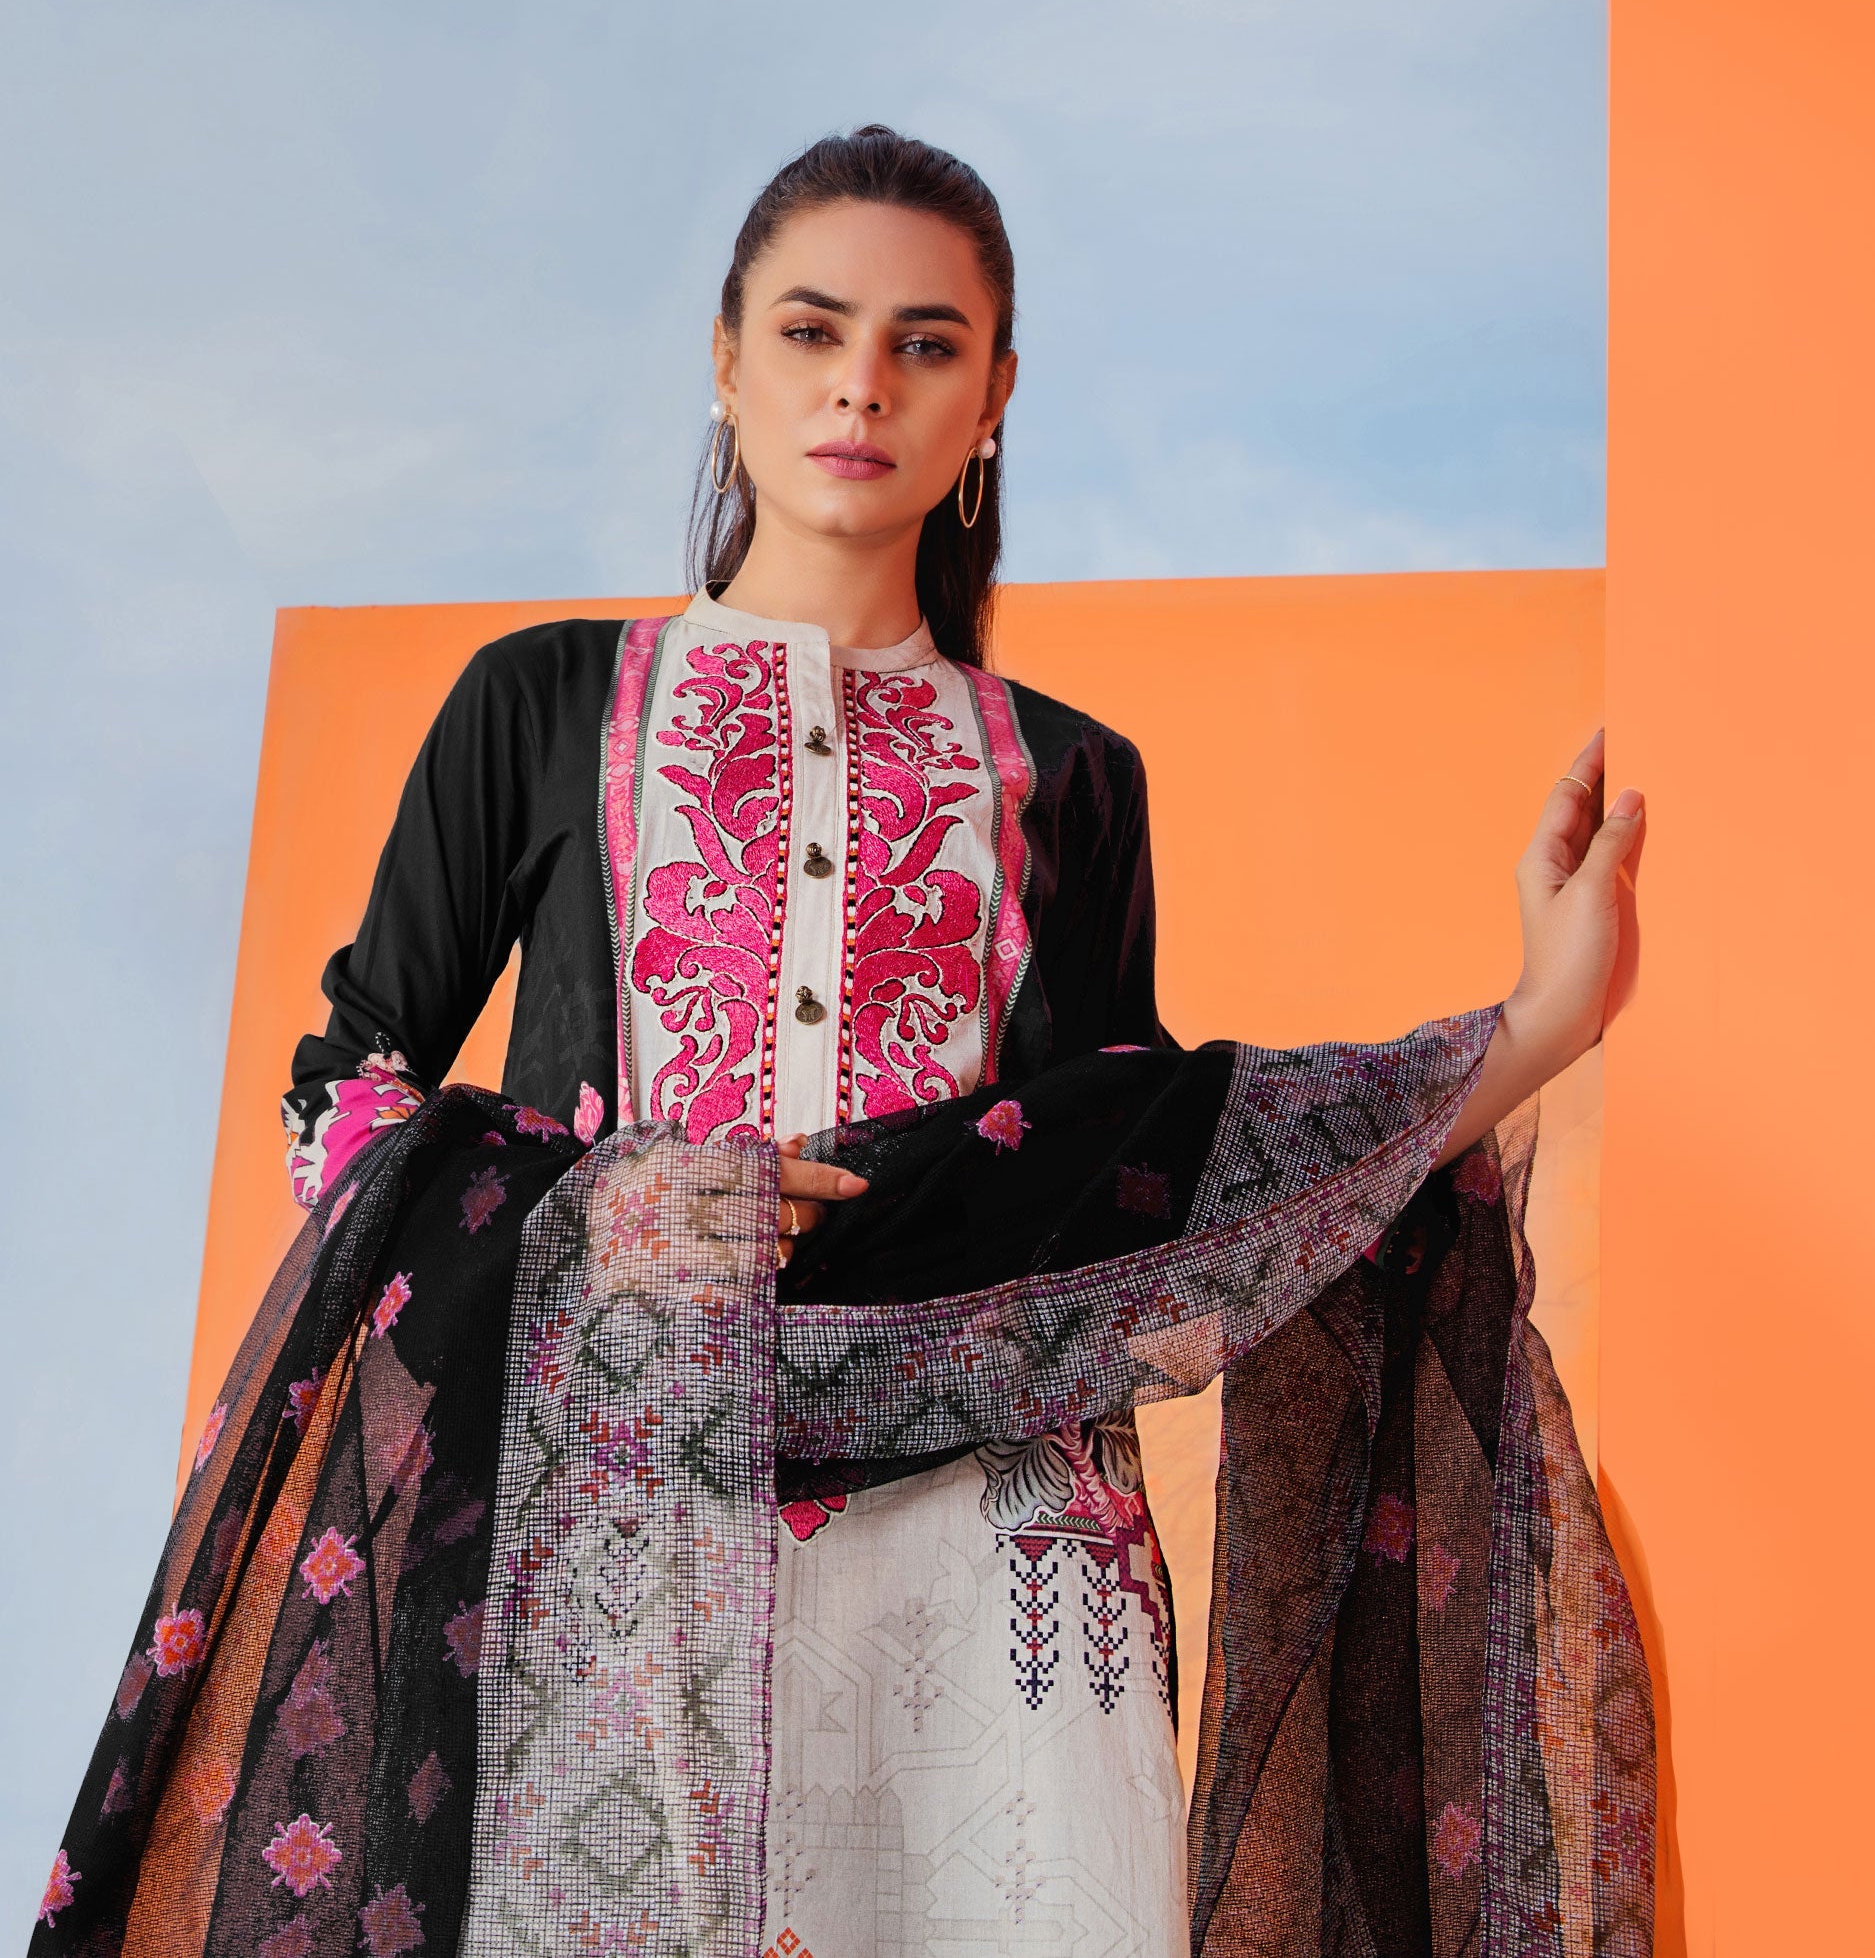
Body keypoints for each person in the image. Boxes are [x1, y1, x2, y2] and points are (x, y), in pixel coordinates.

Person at [34, 128, 1652, 1958]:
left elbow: (1138, 1181)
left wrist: (1538, 1022)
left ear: (995, 398)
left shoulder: (1076, 777)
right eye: (812, 331)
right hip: (620, 1525)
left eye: (925, 344)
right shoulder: (545, 702)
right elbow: (347, 1098)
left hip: (1003, 1574)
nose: (862, 386)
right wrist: (599, 1215)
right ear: (728, 361)